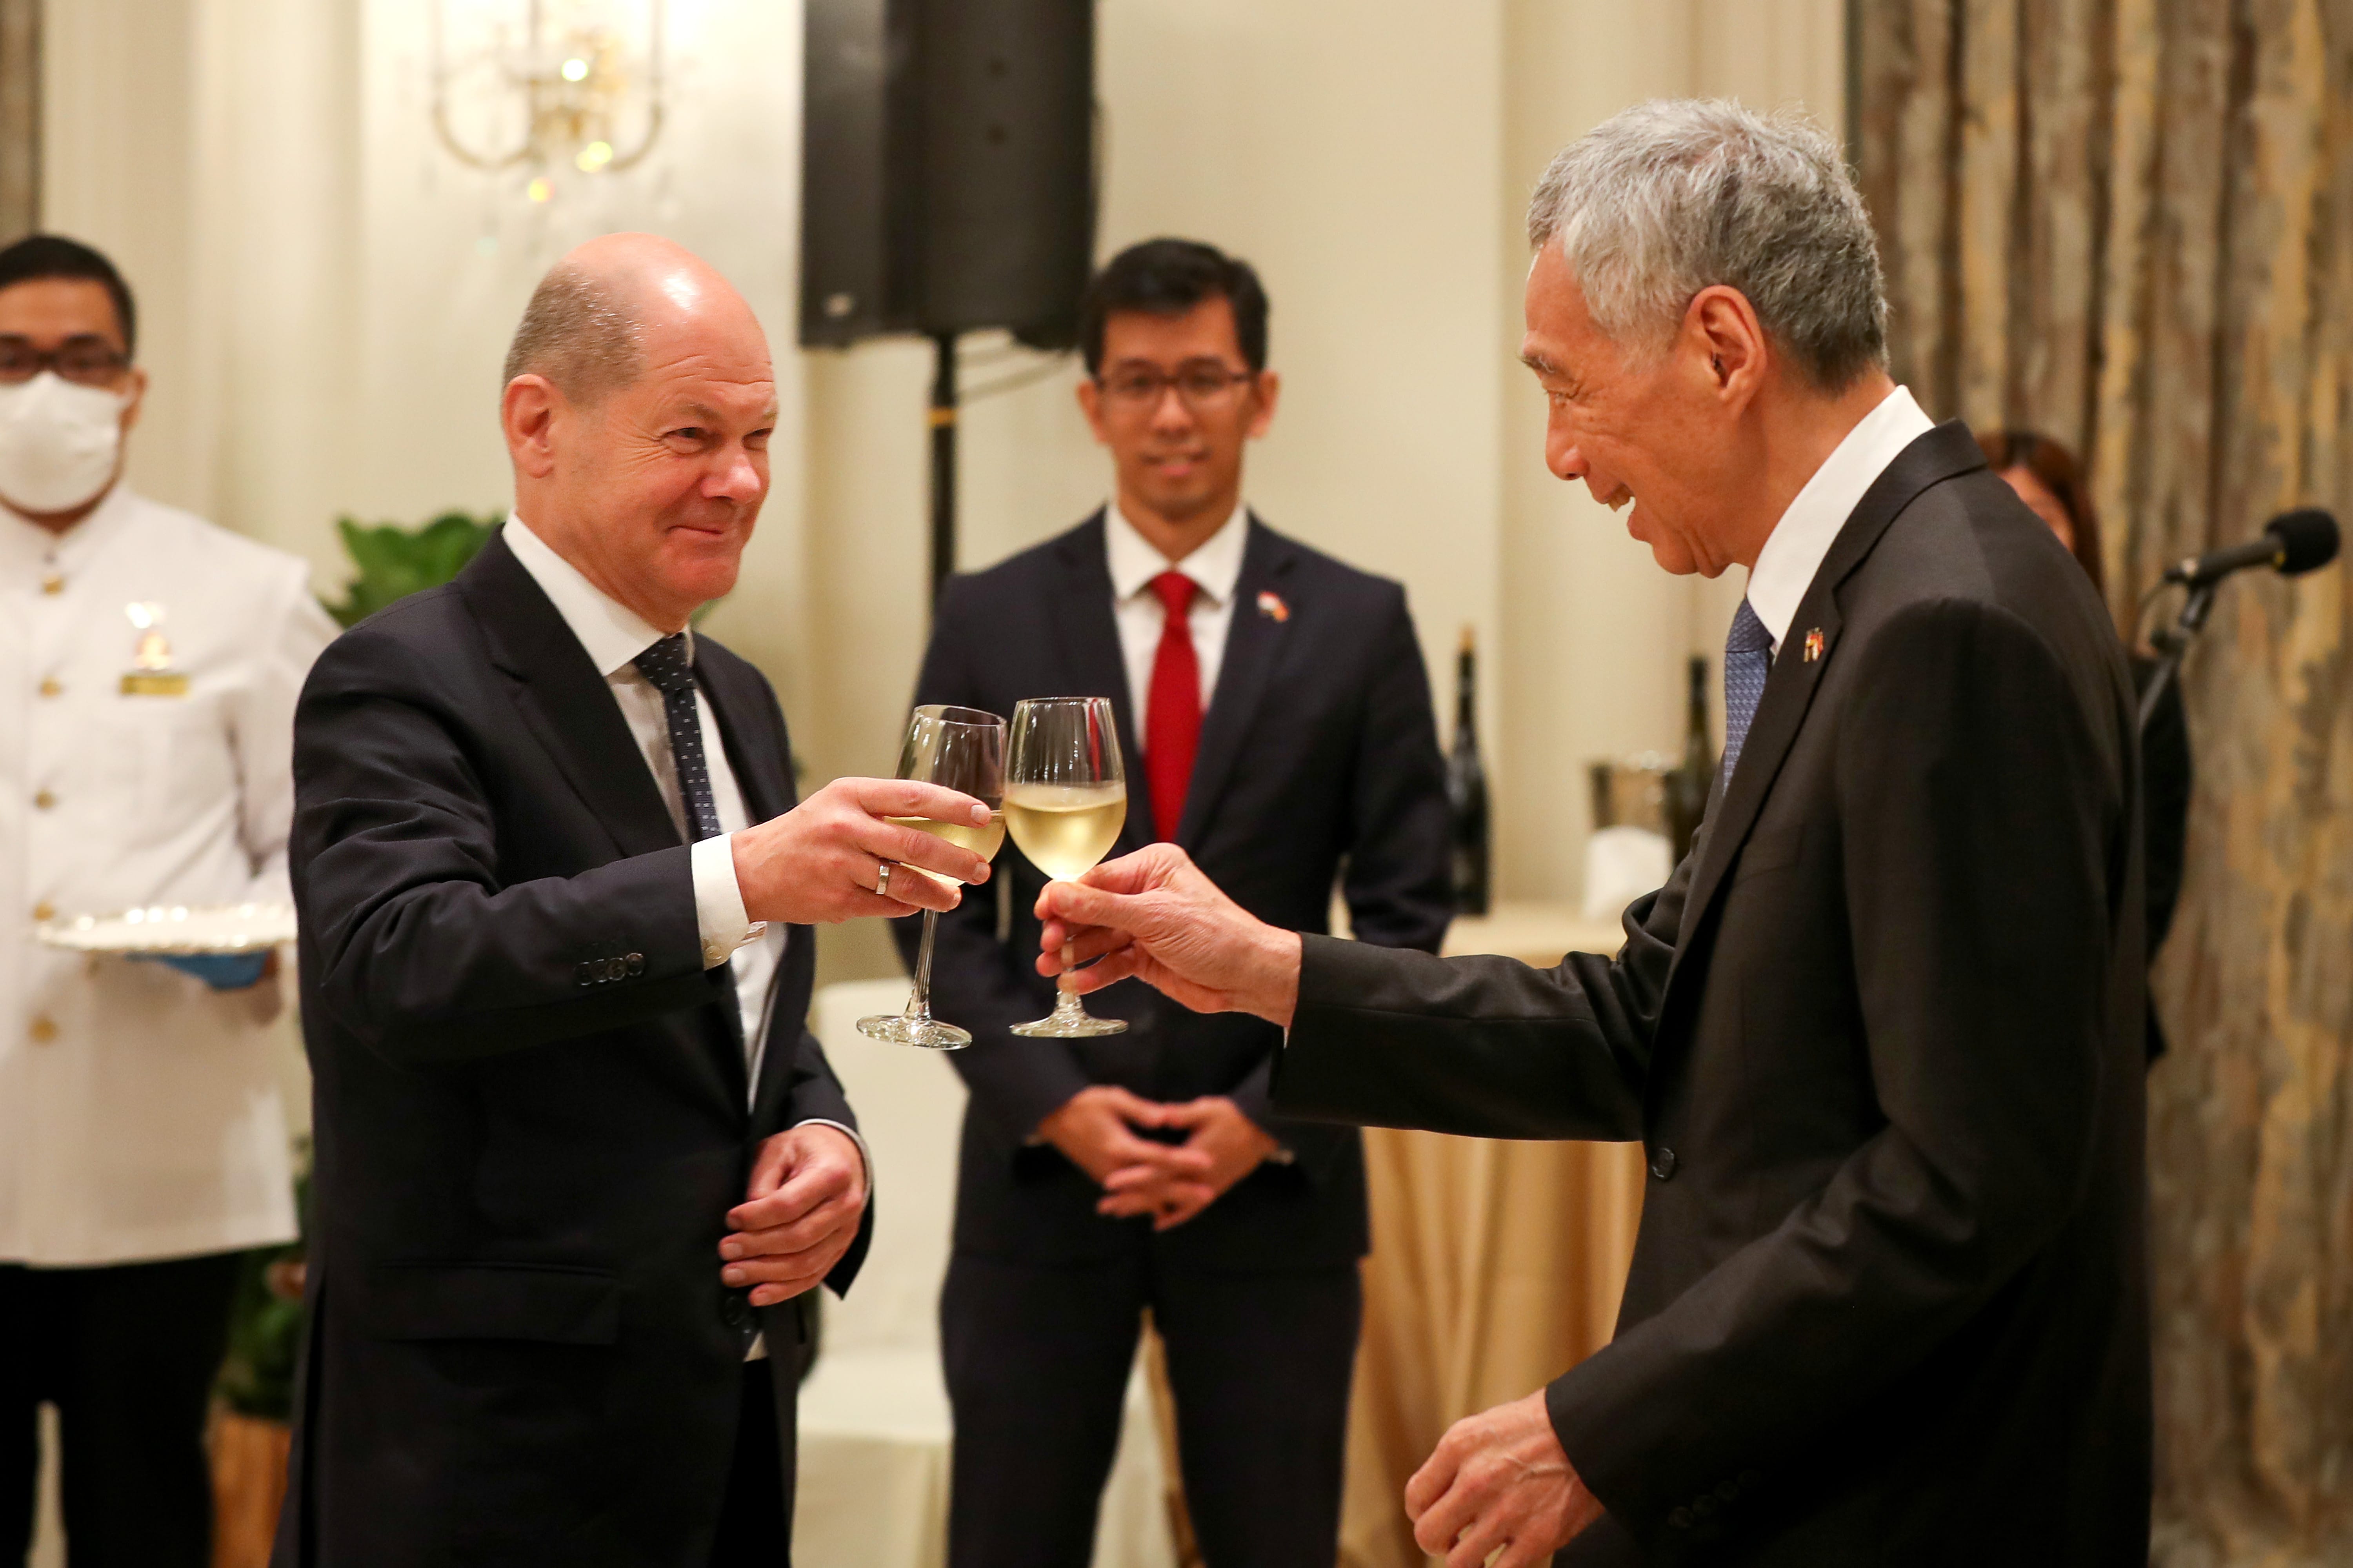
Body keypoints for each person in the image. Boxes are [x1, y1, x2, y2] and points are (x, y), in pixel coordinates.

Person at [1034, 103, 2151, 1566]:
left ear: (1723, 348)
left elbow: (1963, 1181)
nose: (1562, 456)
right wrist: (1265, 970)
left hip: (1894, 1501)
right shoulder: (1862, 602)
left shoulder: (1945, 623)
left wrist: (1600, 1426)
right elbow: (1647, 1015)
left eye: (1567, 389)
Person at [277, 234, 998, 1568]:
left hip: (720, 1409)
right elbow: (402, 965)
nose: (741, 482)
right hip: (490, 1447)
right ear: (537, 425)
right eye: (692, 435)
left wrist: (825, 1138)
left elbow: (739, 1023)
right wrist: (742, 877)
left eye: (761, 438)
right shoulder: (402, 676)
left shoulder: (735, 695)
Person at [904, 237, 1453, 1568]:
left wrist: (1263, 1126)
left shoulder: (1358, 624)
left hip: (1270, 1192)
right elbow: (930, 906)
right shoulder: (988, 614)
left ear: (1260, 396)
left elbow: (1407, 916)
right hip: (1042, 1186)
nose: (1170, 414)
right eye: (1138, 381)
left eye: (1203, 379)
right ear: (1089, 403)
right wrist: (1059, 1107)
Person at [0, 234, 334, 1568]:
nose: (46, 390)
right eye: (12, 359)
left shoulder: (247, 596)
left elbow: (321, 854)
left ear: (132, 385)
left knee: (141, 1510)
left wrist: (248, 953)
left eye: (81, 360)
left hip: (162, 1155)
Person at [1982, 427, 2191, 1060]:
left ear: (2080, 537)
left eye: (2042, 517)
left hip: (2088, 1027)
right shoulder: (1934, 667)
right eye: (1998, 512)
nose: (2019, 536)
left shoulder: (2137, 688)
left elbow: (2150, 887)